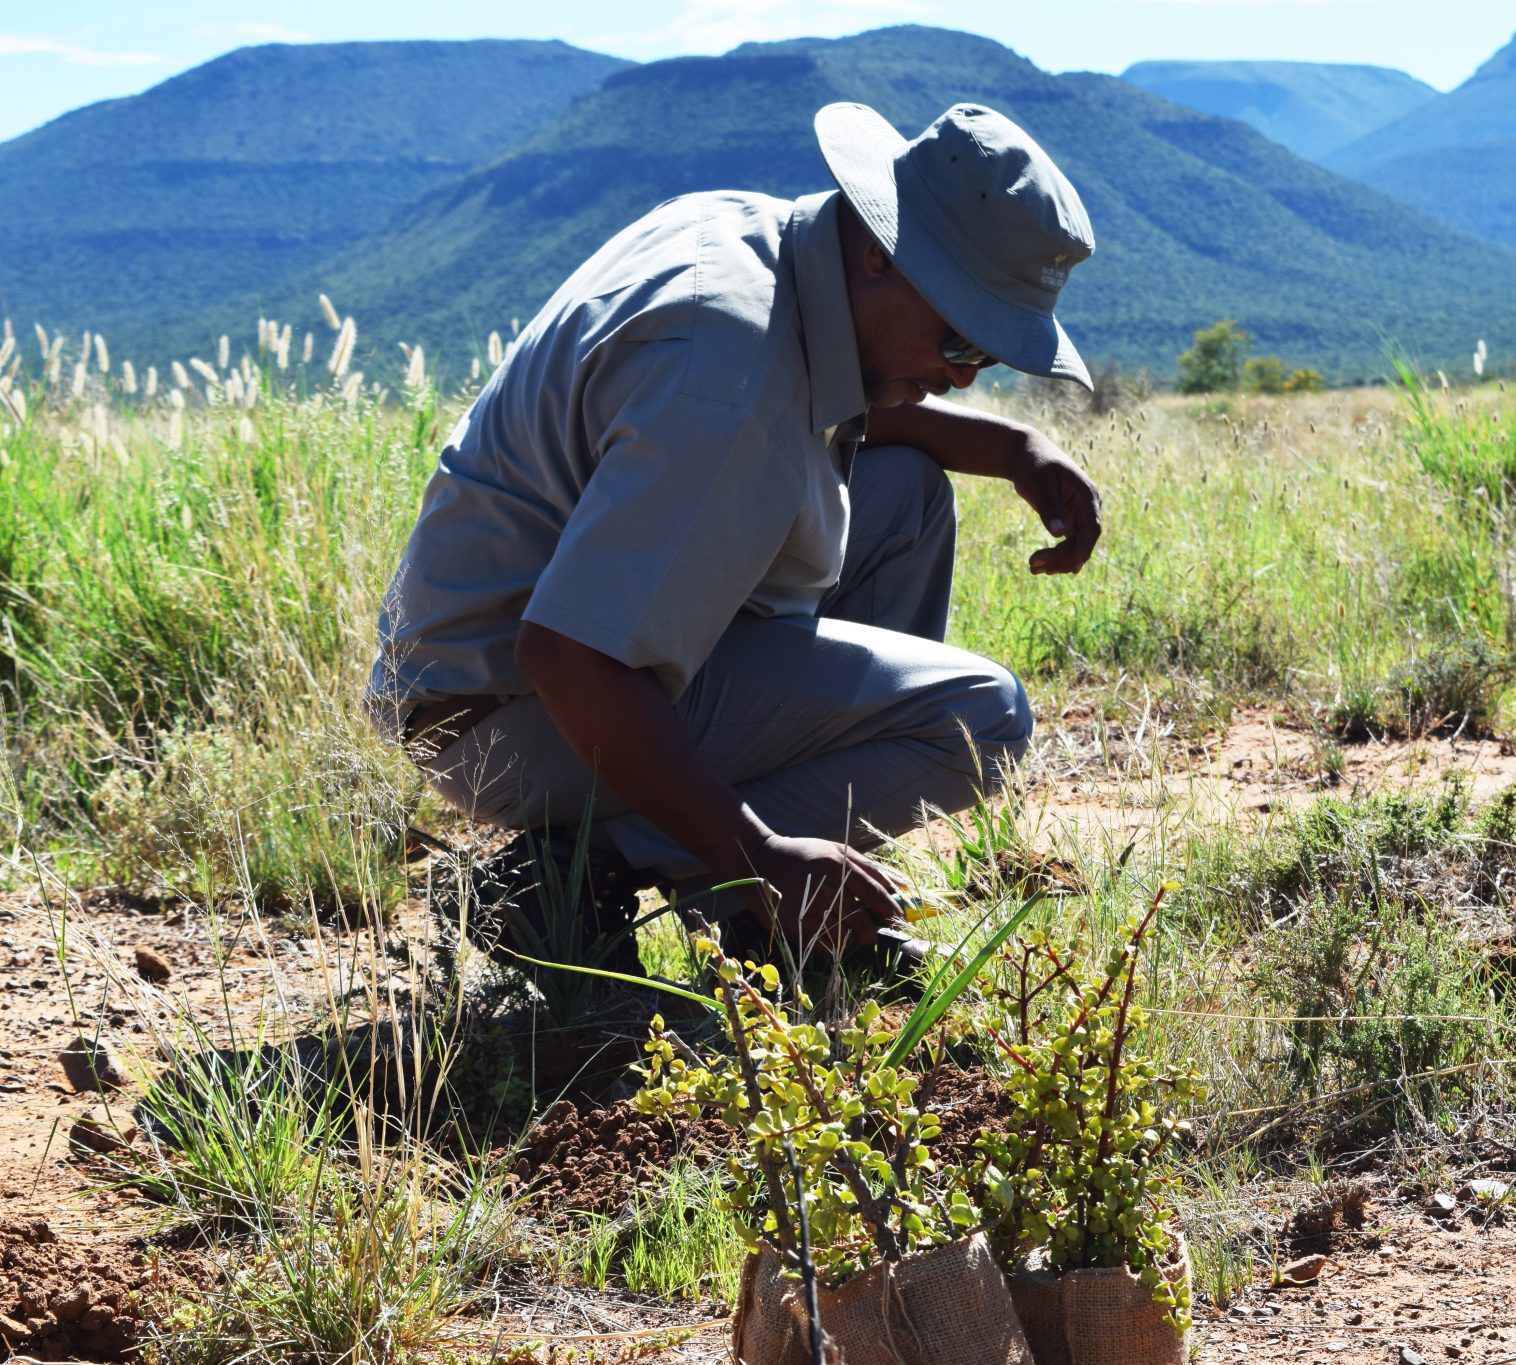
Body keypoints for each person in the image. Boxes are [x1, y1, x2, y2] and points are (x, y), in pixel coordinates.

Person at [367, 101, 1102, 972]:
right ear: (880, 249)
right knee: (979, 719)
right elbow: (569, 655)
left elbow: (834, 403)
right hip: (505, 716)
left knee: (902, 498)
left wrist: (1014, 447)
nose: (957, 373)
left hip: (506, 666)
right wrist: (759, 854)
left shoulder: (763, 241)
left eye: (984, 357)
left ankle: (778, 911)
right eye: (958, 337)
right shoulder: (723, 374)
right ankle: (572, 876)